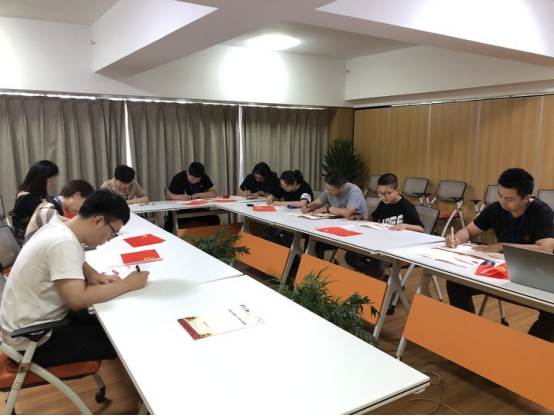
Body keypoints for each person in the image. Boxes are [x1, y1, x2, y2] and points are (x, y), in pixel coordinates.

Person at [0, 190, 150, 367]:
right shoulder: (64, 242)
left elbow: (69, 257)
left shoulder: (58, 226)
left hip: (26, 326)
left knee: (107, 322)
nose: (109, 239)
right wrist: (127, 284)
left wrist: (91, 272)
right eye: (112, 232)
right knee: (116, 339)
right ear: (98, 220)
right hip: (32, 342)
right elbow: (77, 300)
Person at [446, 168, 554, 342]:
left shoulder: (542, 212)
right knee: (456, 284)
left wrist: (503, 246)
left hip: (535, 272)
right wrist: (457, 237)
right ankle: (466, 335)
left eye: (509, 199)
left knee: (552, 314)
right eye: (500, 195)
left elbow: (546, 248)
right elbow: (470, 231)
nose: (503, 202)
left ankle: (530, 351)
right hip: (503, 269)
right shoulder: (496, 208)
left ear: (527, 197)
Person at [345, 173, 424, 280]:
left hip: (397, 247)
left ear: (397, 190)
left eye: (387, 193)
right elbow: (374, 217)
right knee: (351, 257)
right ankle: (385, 281)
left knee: (376, 267)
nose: (383, 197)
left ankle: (386, 284)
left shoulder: (406, 206)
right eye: (380, 193)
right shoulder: (383, 203)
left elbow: (420, 229)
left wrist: (405, 225)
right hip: (380, 243)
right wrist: (363, 217)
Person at [302, 170, 367, 260]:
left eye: (331, 190)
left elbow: (348, 213)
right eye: (326, 188)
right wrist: (308, 207)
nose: (328, 192)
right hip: (337, 226)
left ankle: (316, 268)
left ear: (342, 187)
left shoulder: (354, 191)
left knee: (316, 242)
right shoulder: (329, 190)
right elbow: (316, 203)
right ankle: (305, 265)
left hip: (355, 231)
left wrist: (328, 209)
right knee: (311, 237)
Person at [25, 179, 95, 242]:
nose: (82, 209)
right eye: (84, 203)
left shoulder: (51, 206)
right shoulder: (48, 210)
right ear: (77, 195)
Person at [10, 160, 60, 247]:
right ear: (42, 180)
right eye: (52, 181)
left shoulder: (24, 194)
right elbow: (52, 218)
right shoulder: (29, 199)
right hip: (27, 245)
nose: (52, 185)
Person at [164, 162, 219, 232]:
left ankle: (210, 237)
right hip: (181, 211)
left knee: (215, 219)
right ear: (187, 173)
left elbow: (214, 193)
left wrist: (199, 195)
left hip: (198, 210)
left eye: (197, 180)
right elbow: (168, 195)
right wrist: (180, 197)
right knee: (169, 223)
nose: (194, 181)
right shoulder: (179, 177)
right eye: (192, 178)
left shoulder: (204, 177)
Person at [265, 170, 314, 247]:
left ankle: (289, 253)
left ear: (294, 183)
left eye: (286, 186)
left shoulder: (304, 187)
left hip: (300, 219)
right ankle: (283, 251)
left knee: (287, 238)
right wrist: (270, 198)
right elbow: (274, 196)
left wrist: (282, 203)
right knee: (269, 233)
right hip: (286, 217)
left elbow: (303, 203)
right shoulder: (284, 187)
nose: (284, 188)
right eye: (282, 185)